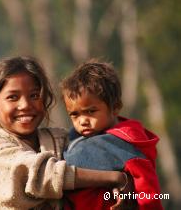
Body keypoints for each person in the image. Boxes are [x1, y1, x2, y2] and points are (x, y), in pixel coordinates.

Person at [0, 56, 131, 210]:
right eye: (13, 97)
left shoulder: (60, 138)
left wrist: (121, 190)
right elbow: (43, 174)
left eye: (34, 95)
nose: (25, 105)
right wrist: (115, 178)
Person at [60, 59, 163, 210]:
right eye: (75, 115)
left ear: (115, 107)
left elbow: (149, 193)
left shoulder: (125, 145)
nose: (83, 121)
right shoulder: (75, 140)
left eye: (91, 111)